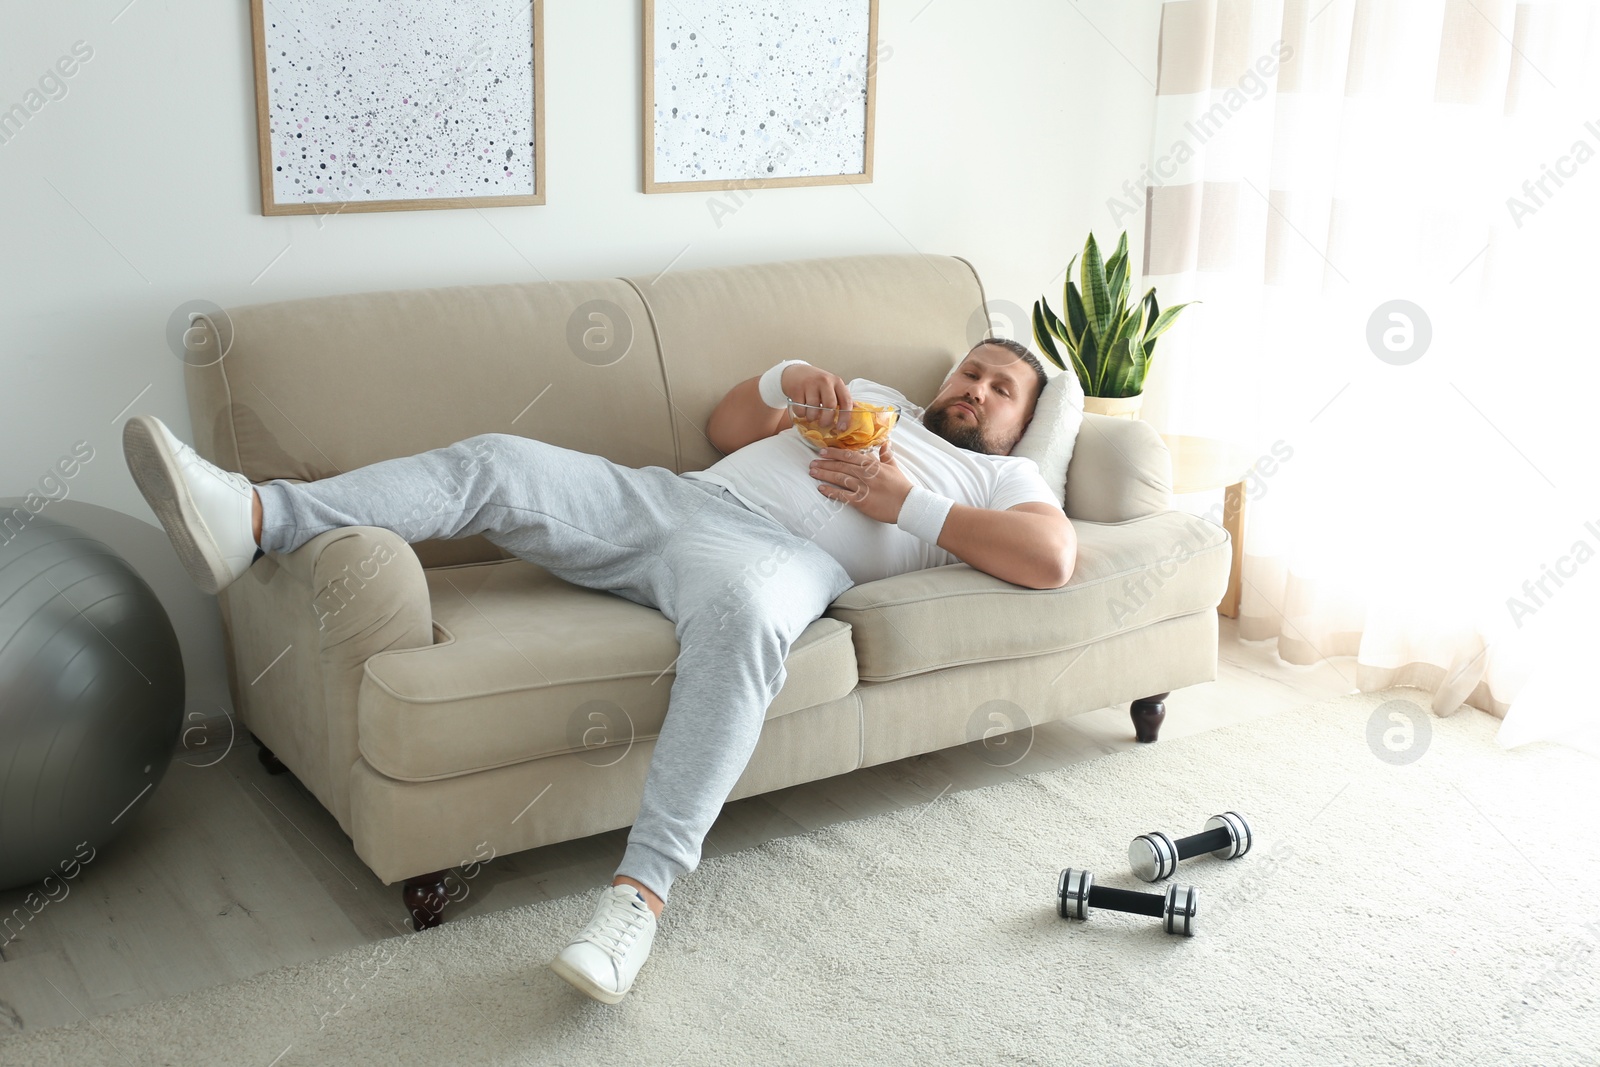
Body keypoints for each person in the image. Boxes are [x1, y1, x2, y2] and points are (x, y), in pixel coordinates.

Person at [121, 338, 1077, 1004]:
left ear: (1020, 424)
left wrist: (902, 500)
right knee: (496, 458)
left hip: (769, 560)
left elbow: (1050, 559)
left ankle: (638, 900)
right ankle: (252, 518)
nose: (976, 392)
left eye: (1002, 392)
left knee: (745, 621)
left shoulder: (1000, 482)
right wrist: (791, 379)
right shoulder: (875, 400)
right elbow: (726, 422)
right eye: (971, 373)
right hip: (671, 502)